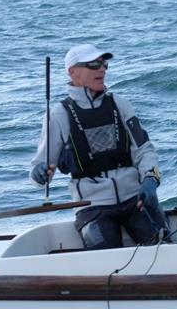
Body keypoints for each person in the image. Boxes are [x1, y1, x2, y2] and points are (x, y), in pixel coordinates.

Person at [30, 44, 167, 250]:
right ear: (72, 72)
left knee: (164, 248)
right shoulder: (58, 115)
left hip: (134, 199)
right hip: (92, 207)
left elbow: (144, 150)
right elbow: (39, 171)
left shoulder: (120, 105)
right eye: (94, 64)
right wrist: (39, 174)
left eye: (104, 64)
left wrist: (150, 179)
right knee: (106, 261)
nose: (102, 69)